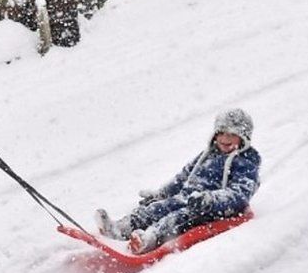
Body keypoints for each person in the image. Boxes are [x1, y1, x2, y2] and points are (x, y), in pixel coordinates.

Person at [95, 108, 261, 254]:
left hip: (213, 209)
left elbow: (240, 193)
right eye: (222, 133)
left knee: (177, 219)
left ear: (244, 137)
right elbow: (183, 177)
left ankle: (150, 238)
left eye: (232, 134)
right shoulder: (208, 154)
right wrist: (162, 194)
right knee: (156, 209)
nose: (225, 138)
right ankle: (119, 229)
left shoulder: (245, 162)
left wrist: (210, 200)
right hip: (186, 197)